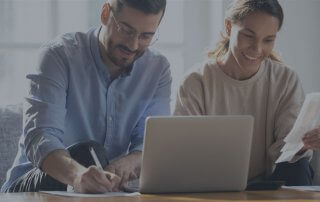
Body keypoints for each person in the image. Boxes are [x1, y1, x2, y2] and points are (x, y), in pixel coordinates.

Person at [1, 0, 171, 193]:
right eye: (126, 30)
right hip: (29, 190)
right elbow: (41, 137)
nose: (133, 45)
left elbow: (150, 144)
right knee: (88, 152)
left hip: (102, 192)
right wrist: (78, 175)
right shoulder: (58, 56)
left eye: (146, 36)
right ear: (106, 14)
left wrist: (126, 164)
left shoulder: (157, 70)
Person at [174, 0, 318, 186]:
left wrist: (301, 145)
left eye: (268, 40)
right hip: (211, 185)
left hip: (270, 184)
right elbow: (185, 153)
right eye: (248, 36)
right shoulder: (195, 82)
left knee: (299, 166)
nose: (257, 49)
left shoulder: (285, 80)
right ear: (228, 27)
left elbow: (286, 151)